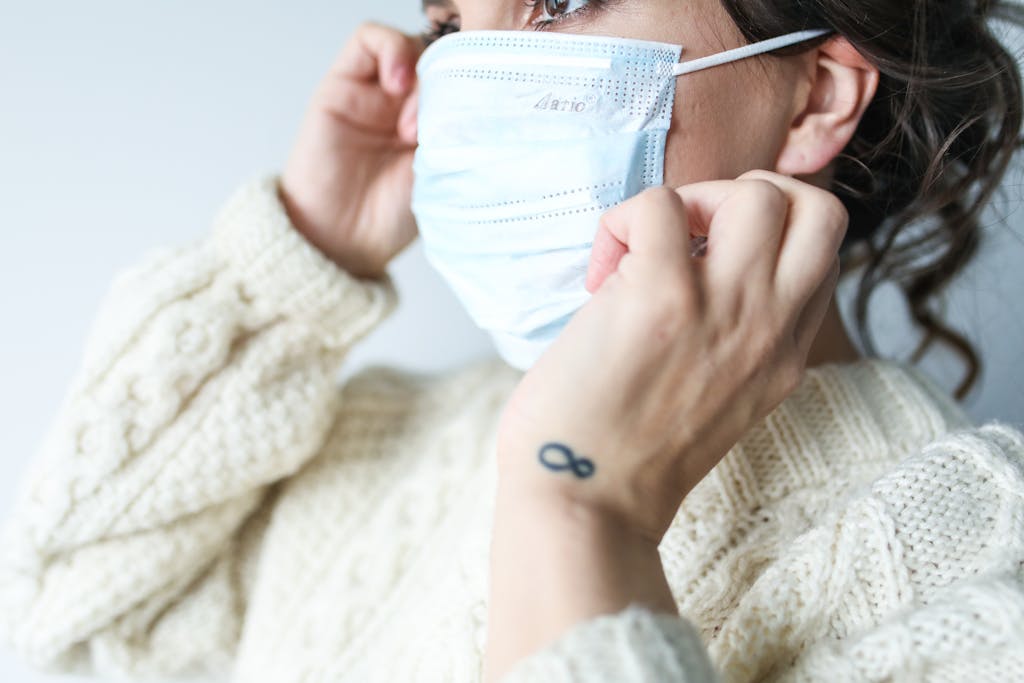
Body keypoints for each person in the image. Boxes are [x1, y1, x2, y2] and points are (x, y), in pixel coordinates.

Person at [1, 0, 1023, 681]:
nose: (471, 79)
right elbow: (61, 635)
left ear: (815, 92)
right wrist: (295, 269)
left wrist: (582, 509)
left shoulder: (971, 581)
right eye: (452, 25)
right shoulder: (386, 436)